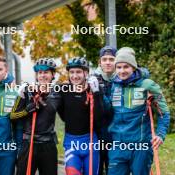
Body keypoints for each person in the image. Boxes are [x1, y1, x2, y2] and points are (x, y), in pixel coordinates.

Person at [107, 48, 170, 175]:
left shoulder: (147, 84)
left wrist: (160, 134)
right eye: (118, 67)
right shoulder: (113, 85)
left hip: (141, 146)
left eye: (126, 67)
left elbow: (164, 113)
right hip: (118, 145)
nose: (122, 71)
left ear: (133, 67)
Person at [10, 58, 60, 175]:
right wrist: (28, 109)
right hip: (29, 144)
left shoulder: (57, 93)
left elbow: (58, 111)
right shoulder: (27, 91)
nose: (42, 75)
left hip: (48, 145)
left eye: (46, 72)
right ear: (36, 75)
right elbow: (12, 116)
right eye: (40, 73)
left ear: (53, 74)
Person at [58, 57, 104, 175]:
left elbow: (99, 119)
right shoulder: (63, 90)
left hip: (90, 142)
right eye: (72, 72)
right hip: (71, 142)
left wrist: (97, 93)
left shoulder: (92, 89)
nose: (75, 76)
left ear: (86, 73)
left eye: (78, 72)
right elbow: (63, 116)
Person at [94, 46, 117, 175]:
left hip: (115, 135)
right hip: (97, 134)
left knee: (113, 169)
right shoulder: (92, 79)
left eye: (111, 59)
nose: (108, 62)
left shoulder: (122, 80)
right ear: (100, 62)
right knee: (96, 169)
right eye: (105, 59)